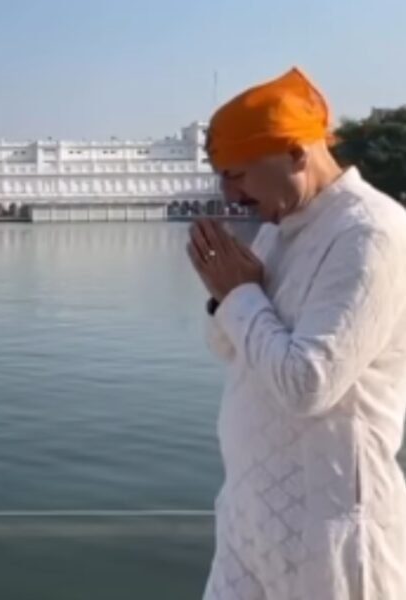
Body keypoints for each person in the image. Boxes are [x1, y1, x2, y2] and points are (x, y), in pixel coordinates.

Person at [190, 67, 406, 599]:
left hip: (326, 527)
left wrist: (241, 297)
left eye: (237, 173)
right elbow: (227, 346)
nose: (228, 193)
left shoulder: (369, 234)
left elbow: (308, 384)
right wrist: (225, 293)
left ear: (294, 153)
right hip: (248, 515)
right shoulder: (281, 230)